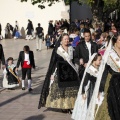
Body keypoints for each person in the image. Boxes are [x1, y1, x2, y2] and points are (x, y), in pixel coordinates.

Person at [38, 33, 79, 113]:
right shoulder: (58, 50)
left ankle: (70, 106)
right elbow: (53, 62)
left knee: (71, 90)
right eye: (65, 39)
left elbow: (74, 60)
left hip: (70, 73)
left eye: (68, 39)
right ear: (61, 40)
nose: (67, 40)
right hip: (61, 73)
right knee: (61, 90)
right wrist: (52, 74)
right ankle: (63, 106)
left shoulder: (71, 49)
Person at [95, 35, 120, 120]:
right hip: (113, 84)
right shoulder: (109, 54)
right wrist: (101, 89)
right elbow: (104, 72)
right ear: (115, 41)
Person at [72, 53, 103, 120]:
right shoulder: (90, 69)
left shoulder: (100, 68)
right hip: (91, 91)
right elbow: (85, 82)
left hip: (98, 90)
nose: (100, 61)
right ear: (94, 60)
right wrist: (83, 92)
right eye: (99, 60)